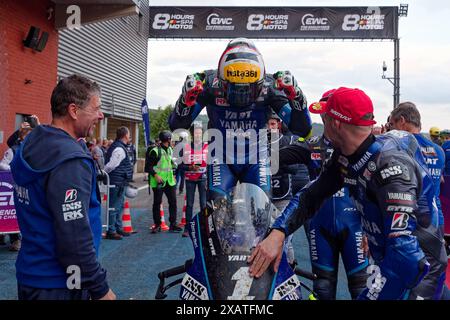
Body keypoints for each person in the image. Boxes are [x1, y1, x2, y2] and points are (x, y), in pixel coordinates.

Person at [249, 87, 446, 300]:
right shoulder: (347, 156)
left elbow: (407, 257)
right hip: (392, 261)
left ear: (335, 123)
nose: (322, 124)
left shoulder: (391, 170)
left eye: (325, 118)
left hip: (419, 273)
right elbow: (312, 195)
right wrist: (278, 232)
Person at [168, 38, 312, 209]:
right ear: (221, 79)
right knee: (217, 209)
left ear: (260, 81)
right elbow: (177, 125)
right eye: (233, 88)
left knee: (261, 210)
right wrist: (185, 99)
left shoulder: (271, 86)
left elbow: (302, 129)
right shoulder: (207, 84)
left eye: (249, 89)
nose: (241, 95)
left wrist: (297, 98)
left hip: (256, 157)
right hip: (220, 157)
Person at [10, 74, 115, 300]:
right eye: (95, 108)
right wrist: (100, 288)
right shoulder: (69, 160)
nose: (101, 115)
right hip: (61, 283)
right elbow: (74, 236)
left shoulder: (32, 142)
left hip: (31, 274)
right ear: (74, 111)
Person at [0, 125, 35, 251]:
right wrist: (15, 170)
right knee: (11, 212)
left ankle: (24, 238)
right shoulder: (13, 150)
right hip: (13, 188)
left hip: (29, 188)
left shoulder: (34, 151)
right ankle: (14, 239)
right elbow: (3, 165)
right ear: (21, 138)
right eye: (28, 137)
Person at [147, 130, 182, 233]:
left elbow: (170, 164)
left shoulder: (170, 150)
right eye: (171, 139)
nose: (172, 141)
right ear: (168, 139)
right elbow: (148, 167)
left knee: (173, 202)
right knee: (157, 203)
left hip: (169, 181)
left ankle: (173, 224)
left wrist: (174, 174)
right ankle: (157, 225)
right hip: (158, 181)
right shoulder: (155, 151)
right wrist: (156, 175)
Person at [104, 126, 134, 240]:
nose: (129, 136)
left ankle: (117, 228)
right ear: (125, 135)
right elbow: (111, 165)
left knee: (119, 205)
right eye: (128, 134)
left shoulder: (119, 147)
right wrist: (104, 173)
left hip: (119, 181)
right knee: (114, 207)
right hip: (117, 181)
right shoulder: (120, 149)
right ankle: (111, 230)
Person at [179, 123, 208, 237]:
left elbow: (212, 164)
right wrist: (189, 167)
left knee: (203, 204)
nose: (198, 135)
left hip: (203, 179)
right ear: (192, 134)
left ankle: (204, 228)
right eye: (196, 133)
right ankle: (187, 228)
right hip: (190, 179)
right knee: (189, 205)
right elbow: (179, 165)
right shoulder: (185, 147)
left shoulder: (207, 146)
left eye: (200, 133)